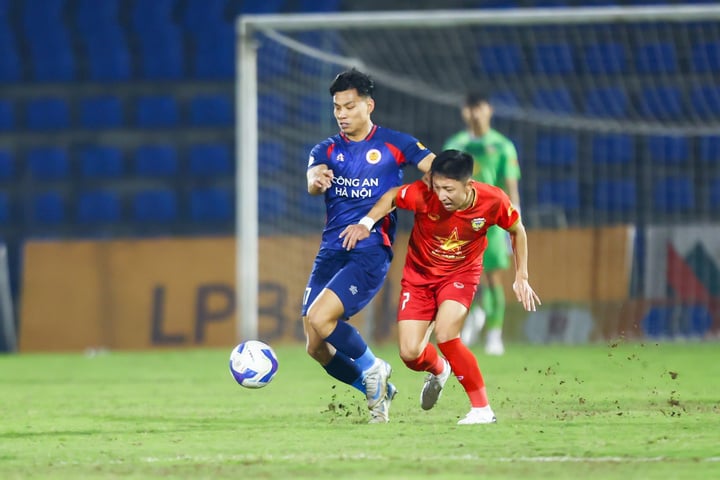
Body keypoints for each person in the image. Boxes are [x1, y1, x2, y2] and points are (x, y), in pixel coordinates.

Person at [340, 149, 540, 424]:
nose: (441, 195)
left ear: (468, 185)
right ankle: (439, 368)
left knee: (447, 335)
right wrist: (366, 223)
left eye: (448, 189)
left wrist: (522, 276)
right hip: (419, 277)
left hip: (460, 275)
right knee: (410, 354)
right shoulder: (423, 195)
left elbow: (517, 229)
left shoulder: (493, 200)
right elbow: (391, 197)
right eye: (437, 187)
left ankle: (482, 409)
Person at [303, 68, 435, 423]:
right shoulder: (326, 149)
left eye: (349, 106)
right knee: (315, 345)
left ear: (368, 105)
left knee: (320, 317)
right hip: (331, 250)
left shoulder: (396, 143)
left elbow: (436, 170)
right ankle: (378, 388)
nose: (342, 115)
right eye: (337, 108)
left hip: (371, 250)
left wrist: (424, 187)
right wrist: (317, 179)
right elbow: (313, 180)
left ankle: (373, 367)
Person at [443, 91, 522, 355]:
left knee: (492, 279)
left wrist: (514, 219)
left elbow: (511, 185)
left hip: (492, 221)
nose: (474, 113)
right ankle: (474, 316)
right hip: (460, 222)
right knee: (460, 278)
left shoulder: (502, 146)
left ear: (489, 109)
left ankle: (494, 334)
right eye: (469, 107)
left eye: (479, 107)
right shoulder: (455, 144)